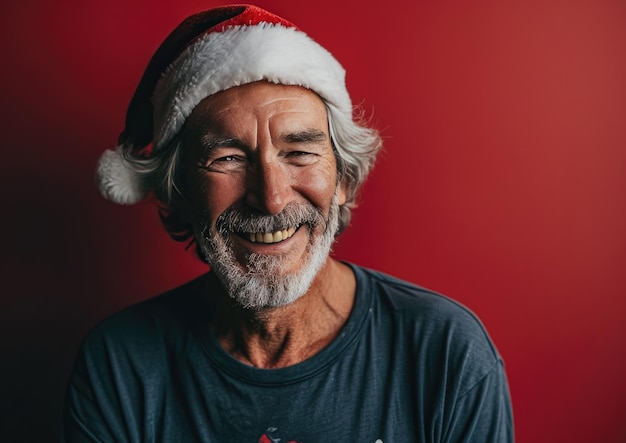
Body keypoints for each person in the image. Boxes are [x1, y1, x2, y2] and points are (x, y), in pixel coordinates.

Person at [63, 4, 513, 442]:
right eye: (229, 158)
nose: (272, 200)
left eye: (299, 152)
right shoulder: (120, 365)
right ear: (176, 194)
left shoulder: (446, 353)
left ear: (344, 181)